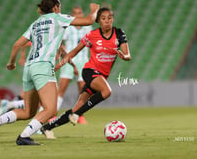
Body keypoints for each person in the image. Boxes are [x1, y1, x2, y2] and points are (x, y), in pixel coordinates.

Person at [0, 0, 100, 145]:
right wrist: (95, 10)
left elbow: (16, 44)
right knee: (51, 110)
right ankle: (24, 136)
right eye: (59, 6)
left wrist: (11, 62)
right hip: (43, 67)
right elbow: (89, 21)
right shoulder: (58, 18)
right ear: (55, 7)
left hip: (29, 68)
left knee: (28, 112)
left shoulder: (35, 23)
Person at [41, 7, 131, 139]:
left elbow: (128, 54)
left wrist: (124, 56)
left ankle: (47, 127)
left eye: (109, 18)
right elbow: (74, 51)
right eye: (103, 18)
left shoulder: (119, 33)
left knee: (77, 106)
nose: (107, 21)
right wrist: (59, 64)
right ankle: (76, 115)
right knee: (107, 91)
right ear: (99, 21)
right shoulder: (92, 35)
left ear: (113, 19)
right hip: (89, 71)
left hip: (101, 76)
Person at [57, 6, 92, 124]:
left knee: (83, 91)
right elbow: (59, 43)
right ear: (72, 15)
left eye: (80, 13)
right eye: (75, 13)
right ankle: (51, 114)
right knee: (61, 89)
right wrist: (60, 53)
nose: (77, 15)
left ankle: (78, 114)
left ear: (82, 14)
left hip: (83, 62)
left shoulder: (88, 28)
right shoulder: (67, 28)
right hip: (69, 60)